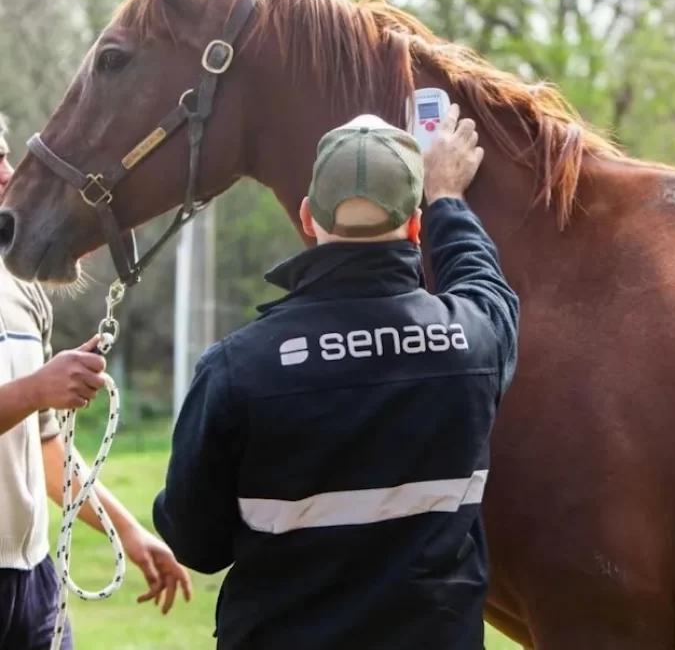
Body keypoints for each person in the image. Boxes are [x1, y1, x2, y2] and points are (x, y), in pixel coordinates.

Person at [153, 105, 520, 650]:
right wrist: (447, 198)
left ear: (307, 218)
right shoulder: (475, 339)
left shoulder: (237, 366)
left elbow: (196, 543)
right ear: (415, 226)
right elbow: (484, 283)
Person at [0, 114, 193, 650]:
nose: (8, 173)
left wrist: (128, 531)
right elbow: (31, 400)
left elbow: (44, 446)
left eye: (5, 155)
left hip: (34, 581)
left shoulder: (19, 287)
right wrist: (39, 388)